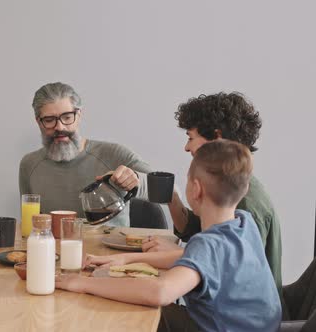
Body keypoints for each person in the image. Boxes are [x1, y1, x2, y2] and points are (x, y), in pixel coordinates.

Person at [56, 140, 282, 332]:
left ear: (195, 189)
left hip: (221, 328)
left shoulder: (209, 244)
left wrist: (82, 283)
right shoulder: (243, 222)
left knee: (130, 308)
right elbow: (192, 259)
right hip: (255, 326)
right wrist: (126, 260)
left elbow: (160, 292)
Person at [141, 92, 282, 297]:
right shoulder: (231, 187)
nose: (186, 147)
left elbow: (229, 270)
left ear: (216, 137)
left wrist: (178, 253)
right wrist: (173, 199)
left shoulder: (248, 204)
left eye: (191, 137)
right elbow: (197, 231)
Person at [19, 82, 152, 226]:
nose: (60, 127)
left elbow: (168, 190)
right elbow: (32, 226)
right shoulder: (29, 164)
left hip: (112, 247)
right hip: (54, 248)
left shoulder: (114, 154)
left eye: (67, 117)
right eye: (49, 120)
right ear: (39, 122)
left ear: (79, 115)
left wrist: (136, 179)